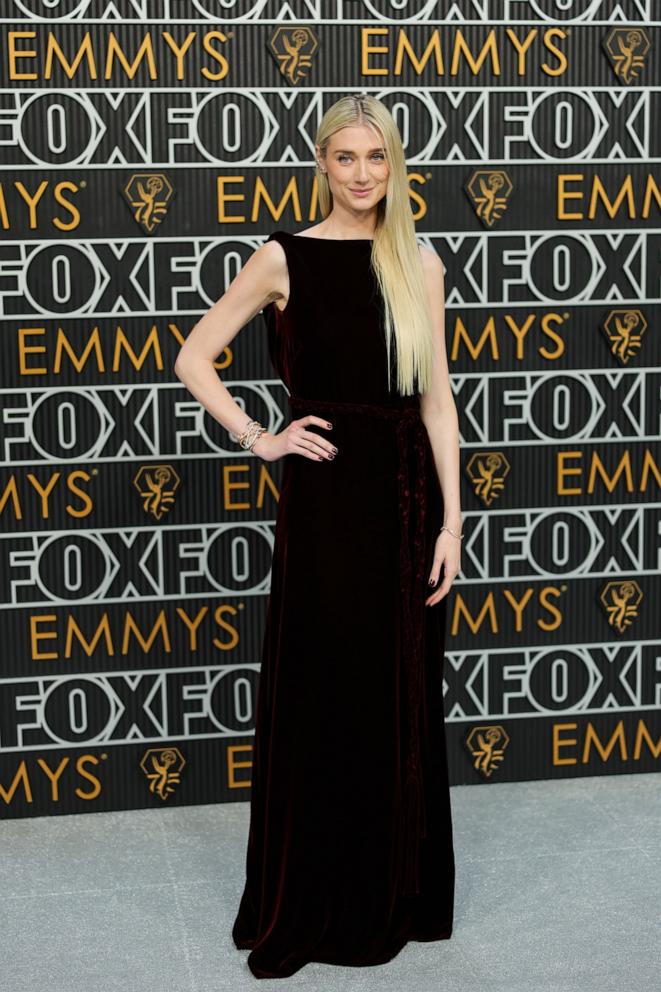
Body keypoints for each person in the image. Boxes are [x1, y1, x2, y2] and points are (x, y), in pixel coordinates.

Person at [174, 92, 462, 980]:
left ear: (395, 165)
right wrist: (261, 438)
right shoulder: (280, 257)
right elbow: (194, 356)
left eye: (377, 158)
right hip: (327, 505)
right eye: (346, 158)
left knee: (398, 695)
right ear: (322, 163)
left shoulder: (420, 261)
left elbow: (434, 398)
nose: (363, 174)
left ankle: (394, 893)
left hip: (410, 502)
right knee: (325, 689)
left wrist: (454, 517)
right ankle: (315, 897)